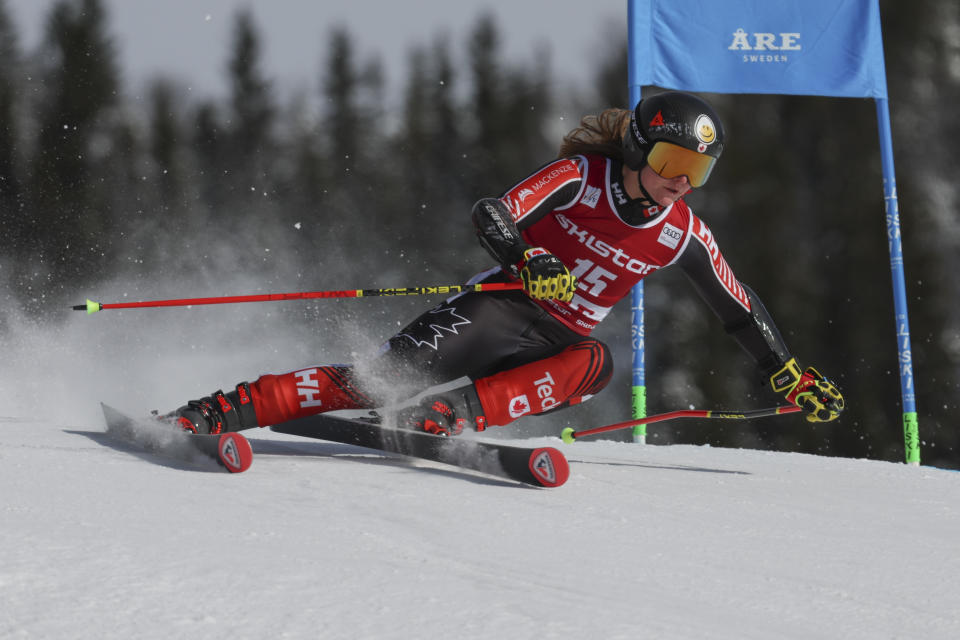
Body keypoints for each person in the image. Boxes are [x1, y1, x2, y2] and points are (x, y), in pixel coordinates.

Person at [170, 91, 844, 437]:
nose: (681, 182)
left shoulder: (683, 233)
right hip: (497, 309)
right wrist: (529, 257)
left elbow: (737, 305)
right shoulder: (581, 176)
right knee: (374, 383)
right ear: (639, 151)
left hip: (556, 343)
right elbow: (494, 212)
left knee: (595, 364)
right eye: (671, 164)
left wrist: (786, 372)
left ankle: (453, 418)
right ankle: (220, 410)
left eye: (698, 171)